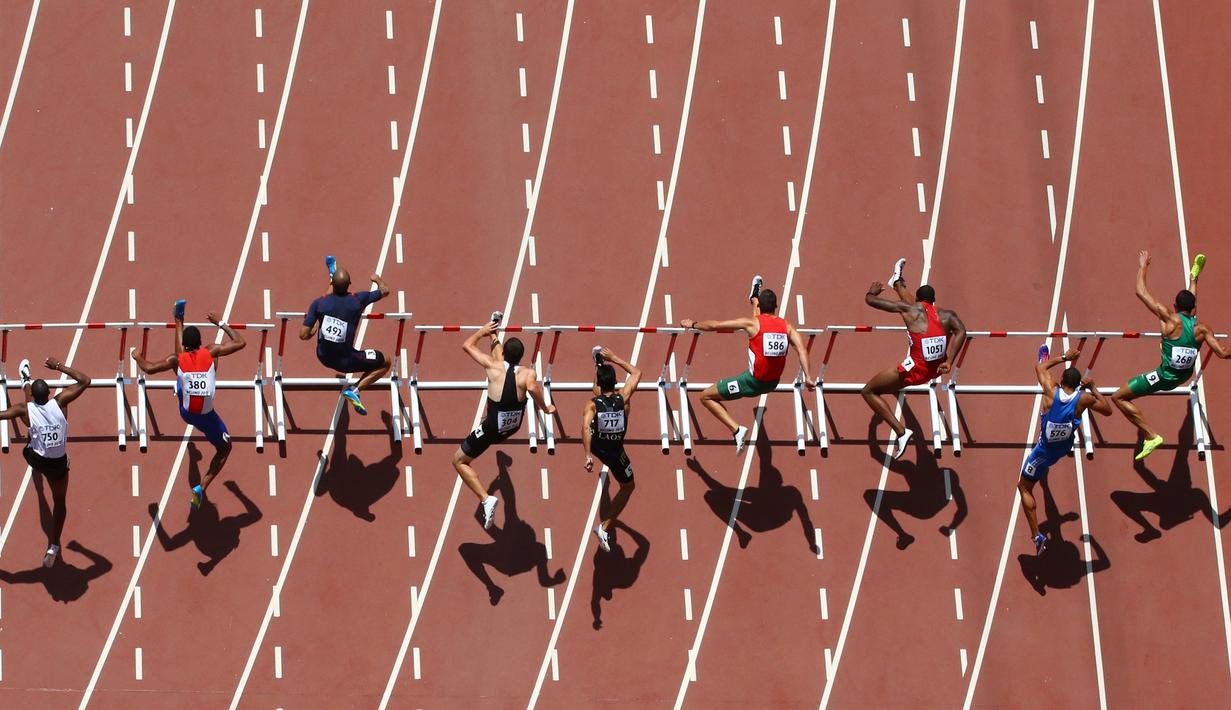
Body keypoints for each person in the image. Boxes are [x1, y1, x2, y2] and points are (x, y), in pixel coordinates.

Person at [1111, 251, 1230, 460]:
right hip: (1185, 376)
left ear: (1175, 306)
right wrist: (1193, 282)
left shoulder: (1168, 318)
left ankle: (1151, 435)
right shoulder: (1201, 328)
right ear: (1193, 309)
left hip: (1164, 377)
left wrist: (1143, 266)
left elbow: (1140, 291)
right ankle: (1194, 276)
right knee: (1191, 321)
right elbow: (1222, 353)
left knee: (1118, 397)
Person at [679, 276, 814, 454]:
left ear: (760, 308)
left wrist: (693, 324)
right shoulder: (787, 327)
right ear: (776, 307)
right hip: (773, 382)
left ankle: (737, 430)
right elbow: (802, 350)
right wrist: (808, 377)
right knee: (758, 326)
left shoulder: (751, 323)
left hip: (752, 383)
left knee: (705, 397)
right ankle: (754, 297)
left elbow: (716, 325)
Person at [131, 301, 246, 510]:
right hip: (207, 416)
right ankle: (201, 488)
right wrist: (220, 323)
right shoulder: (211, 351)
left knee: (179, 363)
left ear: (186, 345)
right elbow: (240, 342)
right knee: (224, 449)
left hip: (187, 412)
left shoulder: (178, 358)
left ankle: (178, 319)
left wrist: (137, 357)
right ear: (201, 343)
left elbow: (149, 368)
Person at [452, 313, 556, 529]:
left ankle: (485, 498)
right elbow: (533, 388)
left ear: (506, 354)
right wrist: (545, 408)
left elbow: (467, 345)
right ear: (521, 357)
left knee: (459, 461)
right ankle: (495, 333)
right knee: (503, 373)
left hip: (492, 428)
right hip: (513, 426)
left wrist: (482, 331)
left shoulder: (492, 366)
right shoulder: (528, 373)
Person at [862, 258, 967, 459]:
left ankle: (901, 432)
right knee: (890, 385)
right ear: (934, 302)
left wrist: (871, 292)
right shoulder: (947, 315)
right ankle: (897, 282)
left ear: (918, 300)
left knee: (868, 391)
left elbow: (871, 302)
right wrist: (950, 361)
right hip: (934, 371)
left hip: (914, 371)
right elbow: (962, 330)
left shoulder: (910, 309)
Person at [1019, 345, 1112, 554]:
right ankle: (1043, 474)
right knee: (1045, 464)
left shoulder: (1052, 391)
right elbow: (1107, 410)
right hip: (1063, 449)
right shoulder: (1084, 399)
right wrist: (1093, 387)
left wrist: (1063, 357)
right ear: (1079, 385)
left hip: (1043, 452)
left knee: (1023, 488)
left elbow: (1039, 369)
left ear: (1061, 382)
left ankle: (1036, 536)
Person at [0, 356, 90, 567]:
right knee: (59, 502)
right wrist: (58, 366)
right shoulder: (60, 402)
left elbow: (3, 414)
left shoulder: (26, 408)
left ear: (34, 397)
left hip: (36, 459)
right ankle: (54, 545)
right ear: (49, 394)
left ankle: (25, 380)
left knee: (27, 420)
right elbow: (85, 380)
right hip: (58, 464)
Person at [300, 264, 392, 415]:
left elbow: (303, 335)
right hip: (346, 361)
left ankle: (332, 273)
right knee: (386, 361)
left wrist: (311, 333)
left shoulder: (319, 304)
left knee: (324, 303)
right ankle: (354, 390)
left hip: (323, 356)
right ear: (350, 284)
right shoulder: (358, 300)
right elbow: (385, 290)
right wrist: (377, 279)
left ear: (332, 285)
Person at [582, 347, 642, 552]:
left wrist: (588, 455)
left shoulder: (592, 403)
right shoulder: (623, 397)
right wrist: (614, 357)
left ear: (599, 384)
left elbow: (585, 428)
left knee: (600, 402)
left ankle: (597, 364)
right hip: (615, 453)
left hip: (598, 447)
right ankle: (604, 528)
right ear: (615, 382)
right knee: (628, 486)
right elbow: (637, 373)